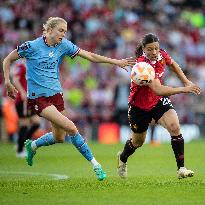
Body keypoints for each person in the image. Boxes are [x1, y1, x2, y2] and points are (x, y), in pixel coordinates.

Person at [3, 17, 135, 181]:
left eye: (65, 31)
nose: (64, 34)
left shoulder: (63, 45)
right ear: (50, 30)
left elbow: (89, 56)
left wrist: (116, 61)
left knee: (59, 137)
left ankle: (33, 145)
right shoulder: (31, 46)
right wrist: (8, 82)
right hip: (39, 99)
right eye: (61, 30)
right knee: (71, 128)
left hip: (56, 95)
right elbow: (8, 59)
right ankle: (96, 165)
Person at [117, 33, 201, 179]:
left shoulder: (162, 55)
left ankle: (181, 168)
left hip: (157, 101)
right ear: (143, 49)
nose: (154, 52)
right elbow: (158, 89)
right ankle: (122, 158)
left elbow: (173, 64)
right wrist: (183, 89)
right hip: (139, 107)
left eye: (156, 48)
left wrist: (186, 81)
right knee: (138, 142)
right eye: (150, 49)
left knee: (174, 127)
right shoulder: (142, 65)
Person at [12, 61, 40, 157]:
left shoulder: (31, 64)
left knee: (36, 123)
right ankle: (20, 151)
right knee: (24, 123)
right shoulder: (20, 65)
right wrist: (22, 92)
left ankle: (23, 143)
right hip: (22, 100)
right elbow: (15, 80)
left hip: (31, 99)